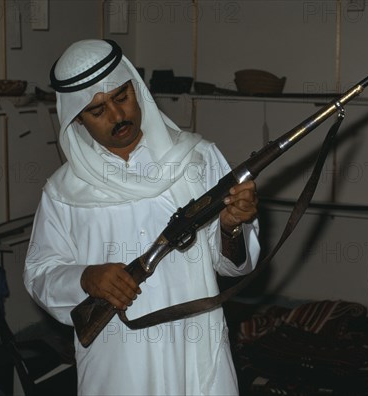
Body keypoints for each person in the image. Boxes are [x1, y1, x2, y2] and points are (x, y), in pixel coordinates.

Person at [23, 39, 260, 395]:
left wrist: (231, 226)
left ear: (137, 90)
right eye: (98, 110)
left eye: (121, 97)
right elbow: (40, 272)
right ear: (78, 121)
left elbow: (234, 266)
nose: (118, 116)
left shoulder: (197, 160)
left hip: (195, 351)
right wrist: (86, 278)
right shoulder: (63, 191)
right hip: (117, 363)